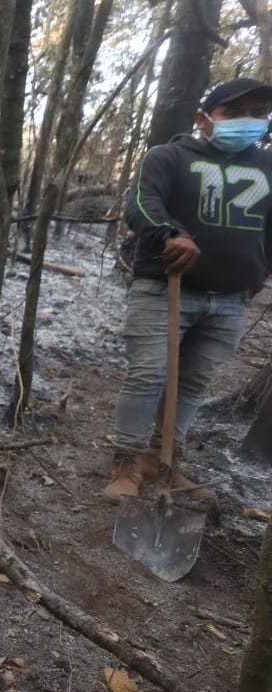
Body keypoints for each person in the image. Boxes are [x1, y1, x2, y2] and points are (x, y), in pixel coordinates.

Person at [104, 77, 272, 504]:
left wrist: (261, 270)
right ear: (204, 119)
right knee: (149, 375)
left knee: (193, 383)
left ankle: (164, 463)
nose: (247, 122)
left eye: (258, 113)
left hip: (231, 301)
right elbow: (141, 203)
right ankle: (125, 461)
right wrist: (170, 233)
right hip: (165, 288)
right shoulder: (169, 157)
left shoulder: (268, 168)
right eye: (233, 114)